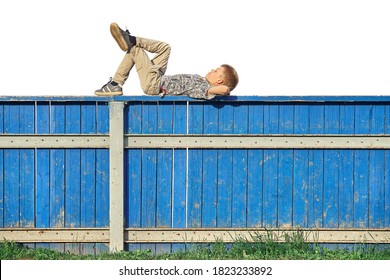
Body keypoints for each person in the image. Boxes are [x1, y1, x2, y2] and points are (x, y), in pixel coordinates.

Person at [95, 23, 239, 100]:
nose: (212, 69)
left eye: (216, 71)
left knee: (135, 51)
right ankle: (131, 39)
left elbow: (223, 90)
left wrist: (226, 90)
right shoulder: (201, 80)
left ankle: (115, 84)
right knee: (165, 48)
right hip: (159, 77)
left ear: (219, 81)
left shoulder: (204, 89)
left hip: (154, 84)